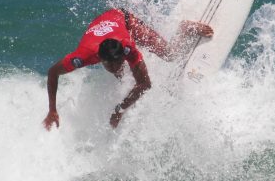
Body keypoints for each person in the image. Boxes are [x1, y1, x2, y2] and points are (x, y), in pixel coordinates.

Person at [43, 8, 213, 130]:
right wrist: (52, 109)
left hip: (123, 19)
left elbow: (146, 84)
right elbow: (52, 72)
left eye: (119, 62)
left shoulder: (127, 47)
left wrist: (120, 109)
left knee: (170, 55)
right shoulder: (82, 56)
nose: (116, 67)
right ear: (100, 60)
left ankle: (184, 28)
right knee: (122, 77)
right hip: (102, 26)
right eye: (111, 65)